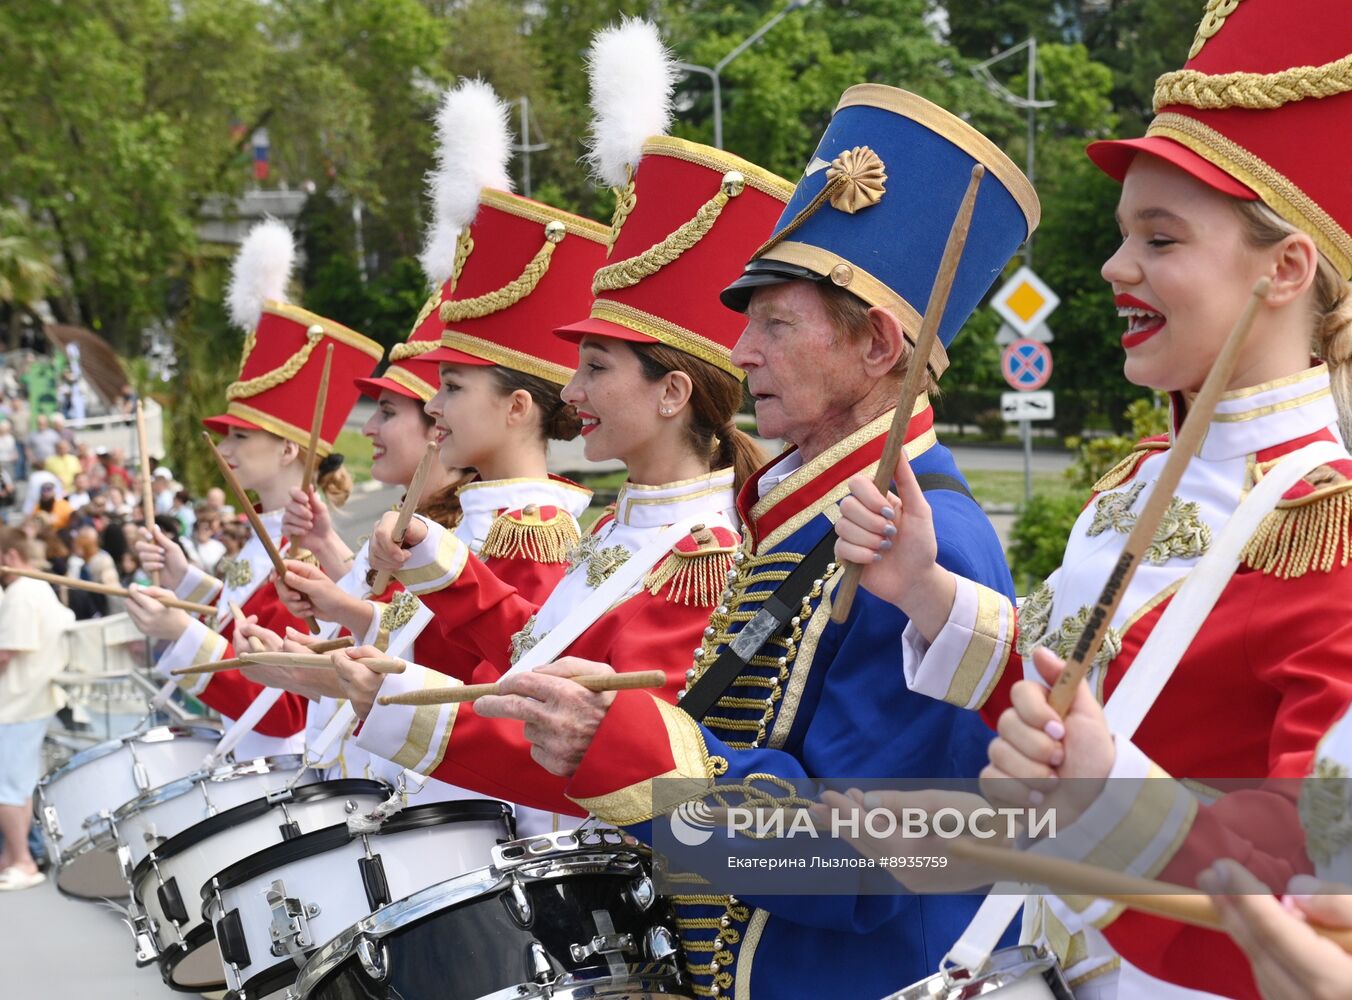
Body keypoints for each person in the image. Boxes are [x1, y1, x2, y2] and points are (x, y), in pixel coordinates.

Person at [458, 81, 1038, 998]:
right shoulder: (794, 520)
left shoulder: (935, 546)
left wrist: (634, 752)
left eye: (774, 323)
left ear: (880, 344)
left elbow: (860, 866)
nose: (740, 352)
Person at [833, 4, 1352, 996]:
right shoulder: (1136, 480)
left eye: (1159, 240)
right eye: (1122, 237)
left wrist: (1102, 794)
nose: (1115, 267)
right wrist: (925, 590)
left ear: (1282, 269)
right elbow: (1074, 692)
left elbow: (1318, 881)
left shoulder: (1325, 531)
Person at [332, 36, 780, 839]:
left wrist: (398, 708)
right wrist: (440, 577)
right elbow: (537, 652)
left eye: (595, 369)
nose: (570, 394)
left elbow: (596, 753)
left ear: (673, 392)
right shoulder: (628, 524)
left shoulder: (707, 552)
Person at [126, 218, 382, 761]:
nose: (226, 450)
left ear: (290, 449)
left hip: (281, 764)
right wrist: (184, 580)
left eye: (241, 436)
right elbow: (244, 618)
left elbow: (286, 701)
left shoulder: (298, 549)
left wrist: (181, 632)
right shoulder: (263, 533)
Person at [0, 526, 75, 890]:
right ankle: (13, 857)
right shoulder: (40, 588)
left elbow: (6, 651)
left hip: (17, 701)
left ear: (9, 557)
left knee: (8, 788)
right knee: (15, 785)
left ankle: (23, 862)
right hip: (32, 697)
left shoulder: (21, 592)